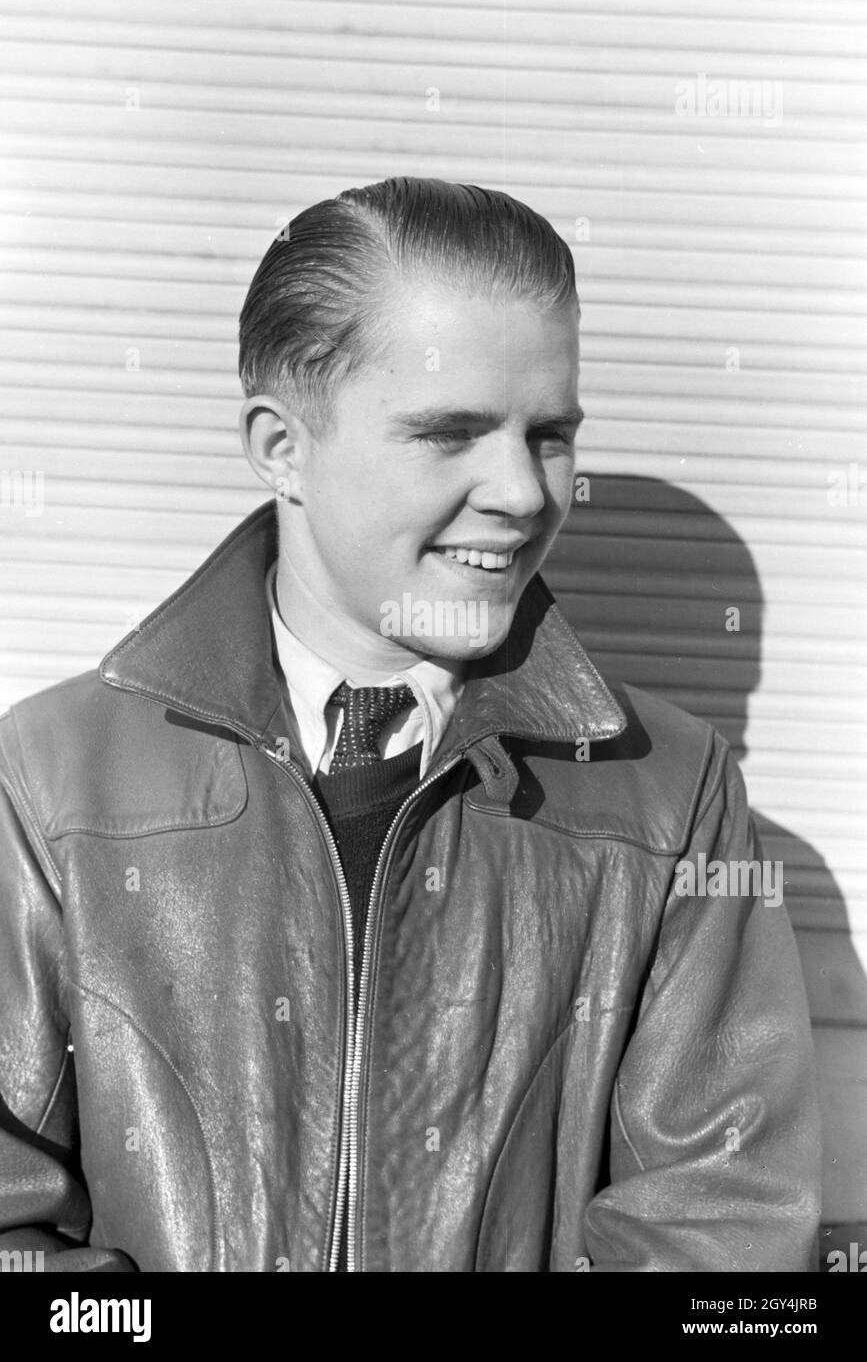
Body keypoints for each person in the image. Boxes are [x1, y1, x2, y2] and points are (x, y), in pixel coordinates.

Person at [0, 178, 820, 1273]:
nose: (525, 493)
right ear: (280, 446)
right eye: (450, 433)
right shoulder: (53, 786)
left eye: (552, 434)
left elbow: (723, 1242)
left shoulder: (672, 800)